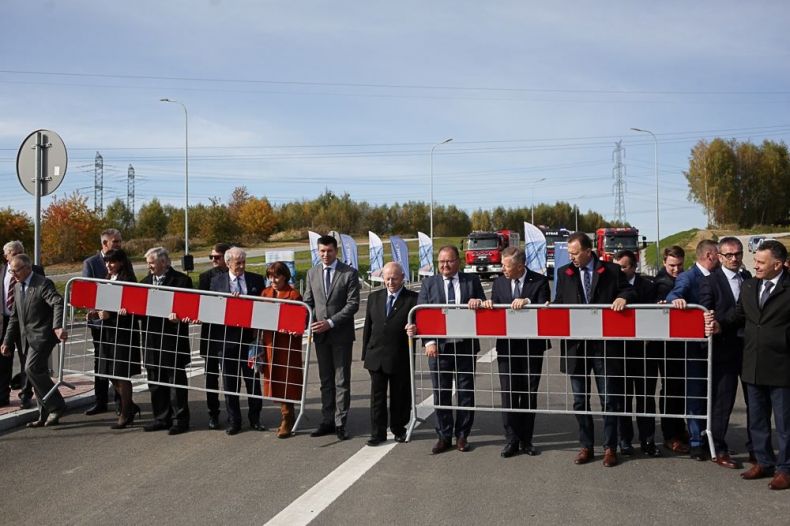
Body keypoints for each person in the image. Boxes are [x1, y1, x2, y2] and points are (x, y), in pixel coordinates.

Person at [707, 240, 790, 490]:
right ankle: (764, 462)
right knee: (757, 420)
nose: (755, 266)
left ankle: (785, 468)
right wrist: (719, 324)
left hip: (782, 365)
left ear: (778, 264)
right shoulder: (750, 285)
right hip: (752, 363)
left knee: (785, 424)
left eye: (761, 263)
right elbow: (738, 315)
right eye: (755, 261)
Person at [553, 232, 635, 468]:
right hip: (577, 347)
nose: (571, 257)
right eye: (569, 253)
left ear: (589, 251)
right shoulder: (564, 273)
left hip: (605, 346)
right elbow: (560, 301)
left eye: (575, 253)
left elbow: (629, 290)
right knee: (580, 400)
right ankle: (586, 445)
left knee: (609, 399)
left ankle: (610, 447)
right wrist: (550, 308)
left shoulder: (611, 271)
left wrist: (623, 298)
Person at [416, 245, 485, 454]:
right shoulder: (429, 284)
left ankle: (462, 435)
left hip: (464, 346)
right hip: (439, 349)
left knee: (465, 392)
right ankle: (444, 435)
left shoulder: (471, 281)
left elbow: (484, 306)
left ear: (458, 261)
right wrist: (428, 342)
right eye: (441, 262)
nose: (445, 265)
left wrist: (478, 301)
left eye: (449, 261)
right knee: (441, 393)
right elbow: (422, 314)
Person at [482, 246, 549, 458]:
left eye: (506, 265)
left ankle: (526, 440)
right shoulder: (499, 282)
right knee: (509, 393)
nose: (502, 269)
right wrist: (489, 304)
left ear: (520, 266)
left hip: (532, 347)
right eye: (502, 265)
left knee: (528, 393)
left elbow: (546, 307)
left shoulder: (539, 281)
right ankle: (511, 439)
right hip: (507, 347)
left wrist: (528, 302)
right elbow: (496, 310)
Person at [699, 237, 753, 469]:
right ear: (719, 257)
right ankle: (718, 448)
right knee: (722, 401)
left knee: (756, 402)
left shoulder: (749, 278)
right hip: (724, 348)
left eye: (738, 254)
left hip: (750, 349)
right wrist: (715, 323)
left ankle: (756, 448)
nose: (734, 259)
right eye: (729, 255)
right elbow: (706, 310)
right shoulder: (710, 282)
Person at [303, 235, 360, 441]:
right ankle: (327, 420)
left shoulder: (349, 273)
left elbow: (353, 304)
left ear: (336, 251)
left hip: (340, 334)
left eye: (329, 251)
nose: (325, 255)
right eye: (322, 251)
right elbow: (308, 302)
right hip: (320, 336)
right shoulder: (312, 273)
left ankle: (340, 422)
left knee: (341, 380)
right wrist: (308, 323)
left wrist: (331, 322)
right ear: (317, 252)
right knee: (325, 380)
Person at [667, 239, 719, 461]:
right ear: (709, 255)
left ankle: (715, 439)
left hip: (721, 345)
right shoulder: (688, 277)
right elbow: (673, 295)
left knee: (718, 395)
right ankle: (697, 440)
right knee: (696, 394)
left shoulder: (720, 275)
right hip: (696, 349)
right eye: (720, 254)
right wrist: (677, 300)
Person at [1, 254, 67, 427]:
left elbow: (57, 302)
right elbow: (15, 318)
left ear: (27, 268)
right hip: (25, 339)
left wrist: (57, 326)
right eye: (11, 271)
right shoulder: (17, 287)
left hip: (42, 336)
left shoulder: (42, 283)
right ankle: (43, 414)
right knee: (36, 373)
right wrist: (7, 341)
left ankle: (56, 405)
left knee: (31, 369)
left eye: (16, 270)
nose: (13, 274)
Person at [209, 246, 266, 435]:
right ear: (228, 263)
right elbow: (212, 308)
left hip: (250, 340)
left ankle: (255, 418)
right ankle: (234, 421)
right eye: (237, 263)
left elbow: (264, 305)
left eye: (243, 262)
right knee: (230, 383)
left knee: (252, 381)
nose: (241, 266)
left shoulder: (256, 280)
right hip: (226, 341)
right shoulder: (216, 282)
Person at [361, 261, 418, 446]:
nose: (390, 282)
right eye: (387, 278)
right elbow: (368, 328)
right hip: (376, 356)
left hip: (399, 356)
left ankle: (398, 428)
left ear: (402, 278)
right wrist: (365, 354)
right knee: (377, 398)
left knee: (399, 396)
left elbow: (421, 327)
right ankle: (377, 433)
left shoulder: (413, 299)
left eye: (394, 278)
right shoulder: (374, 298)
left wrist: (416, 330)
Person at [140, 247, 193, 435]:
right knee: (155, 381)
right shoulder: (144, 283)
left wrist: (179, 316)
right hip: (151, 340)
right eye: (148, 263)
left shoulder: (182, 281)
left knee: (175, 383)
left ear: (163, 262)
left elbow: (190, 308)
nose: (149, 266)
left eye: (152, 262)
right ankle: (161, 418)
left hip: (173, 340)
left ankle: (180, 420)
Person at [615, 250, 662, 457]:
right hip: (621, 352)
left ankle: (648, 440)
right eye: (617, 267)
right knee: (622, 398)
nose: (619, 271)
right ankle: (624, 441)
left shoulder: (648, 287)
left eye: (623, 267)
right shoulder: (611, 286)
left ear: (634, 267)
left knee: (646, 398)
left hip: (645, 352)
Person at [89, 249, 141, 429]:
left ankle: (126, 413)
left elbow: (131, 310)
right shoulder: (107, 278)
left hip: (123, 333)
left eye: (112, 262)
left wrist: (110, 315)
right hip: (108, 333)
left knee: (121, 373)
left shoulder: (128, 281)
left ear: (121, 262)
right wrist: (96, 312)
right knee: (109, 371)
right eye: (106, 262)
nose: (108, 265)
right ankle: (130, 406)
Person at [259, 261, 305, 439]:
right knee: (273, 378)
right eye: (270, 276)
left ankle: (287, 416)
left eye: (276, 276)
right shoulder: (265, 293)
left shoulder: (293, 295)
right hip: (270, 342)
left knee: (287, 378)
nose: (273, 280)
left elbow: (301, 319)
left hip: (287, 344)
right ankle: (284, 412)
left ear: (285, 276)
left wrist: (294, 328)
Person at [81, 228, 122, 416]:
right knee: (101, 360)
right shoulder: (91, 263)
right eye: (115, 242)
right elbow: (88, 292)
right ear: (104, 243)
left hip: (119, 320)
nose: (119, 244)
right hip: (100, 322)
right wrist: (96, 312)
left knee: (119, 362)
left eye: (120, 241)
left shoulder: (122, 260)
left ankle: (121, 402)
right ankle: (101, 400)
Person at [653, 245, 689, 453]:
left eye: (680, 265)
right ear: (664, 262)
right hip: (664, 346)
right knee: (670, 390)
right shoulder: (658, 283)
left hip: (682, 343)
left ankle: (680, 427)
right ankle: (670, 435)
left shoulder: (684, 279)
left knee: (681, 389)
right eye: (672, 265)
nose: (676, 269)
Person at [1, 240, 45, 408]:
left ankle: (25, 395)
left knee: (27, 359)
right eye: (14, 253)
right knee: (3, 359)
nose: (19, 255)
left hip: (26, 322)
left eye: (21, 251)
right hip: (5, 321)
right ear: (6, 257)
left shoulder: (35, 270)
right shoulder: (2, 271)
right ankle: (2, 395)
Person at [198, 242, 231, 429]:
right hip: (210, 334)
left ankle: (232, 412)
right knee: (211, 377)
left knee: (229, 376)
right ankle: (213, 413)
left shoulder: (234, 276)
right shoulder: (205, 277)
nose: (213, 260)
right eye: (211, 257)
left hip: (229, 334)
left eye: (217, 257)